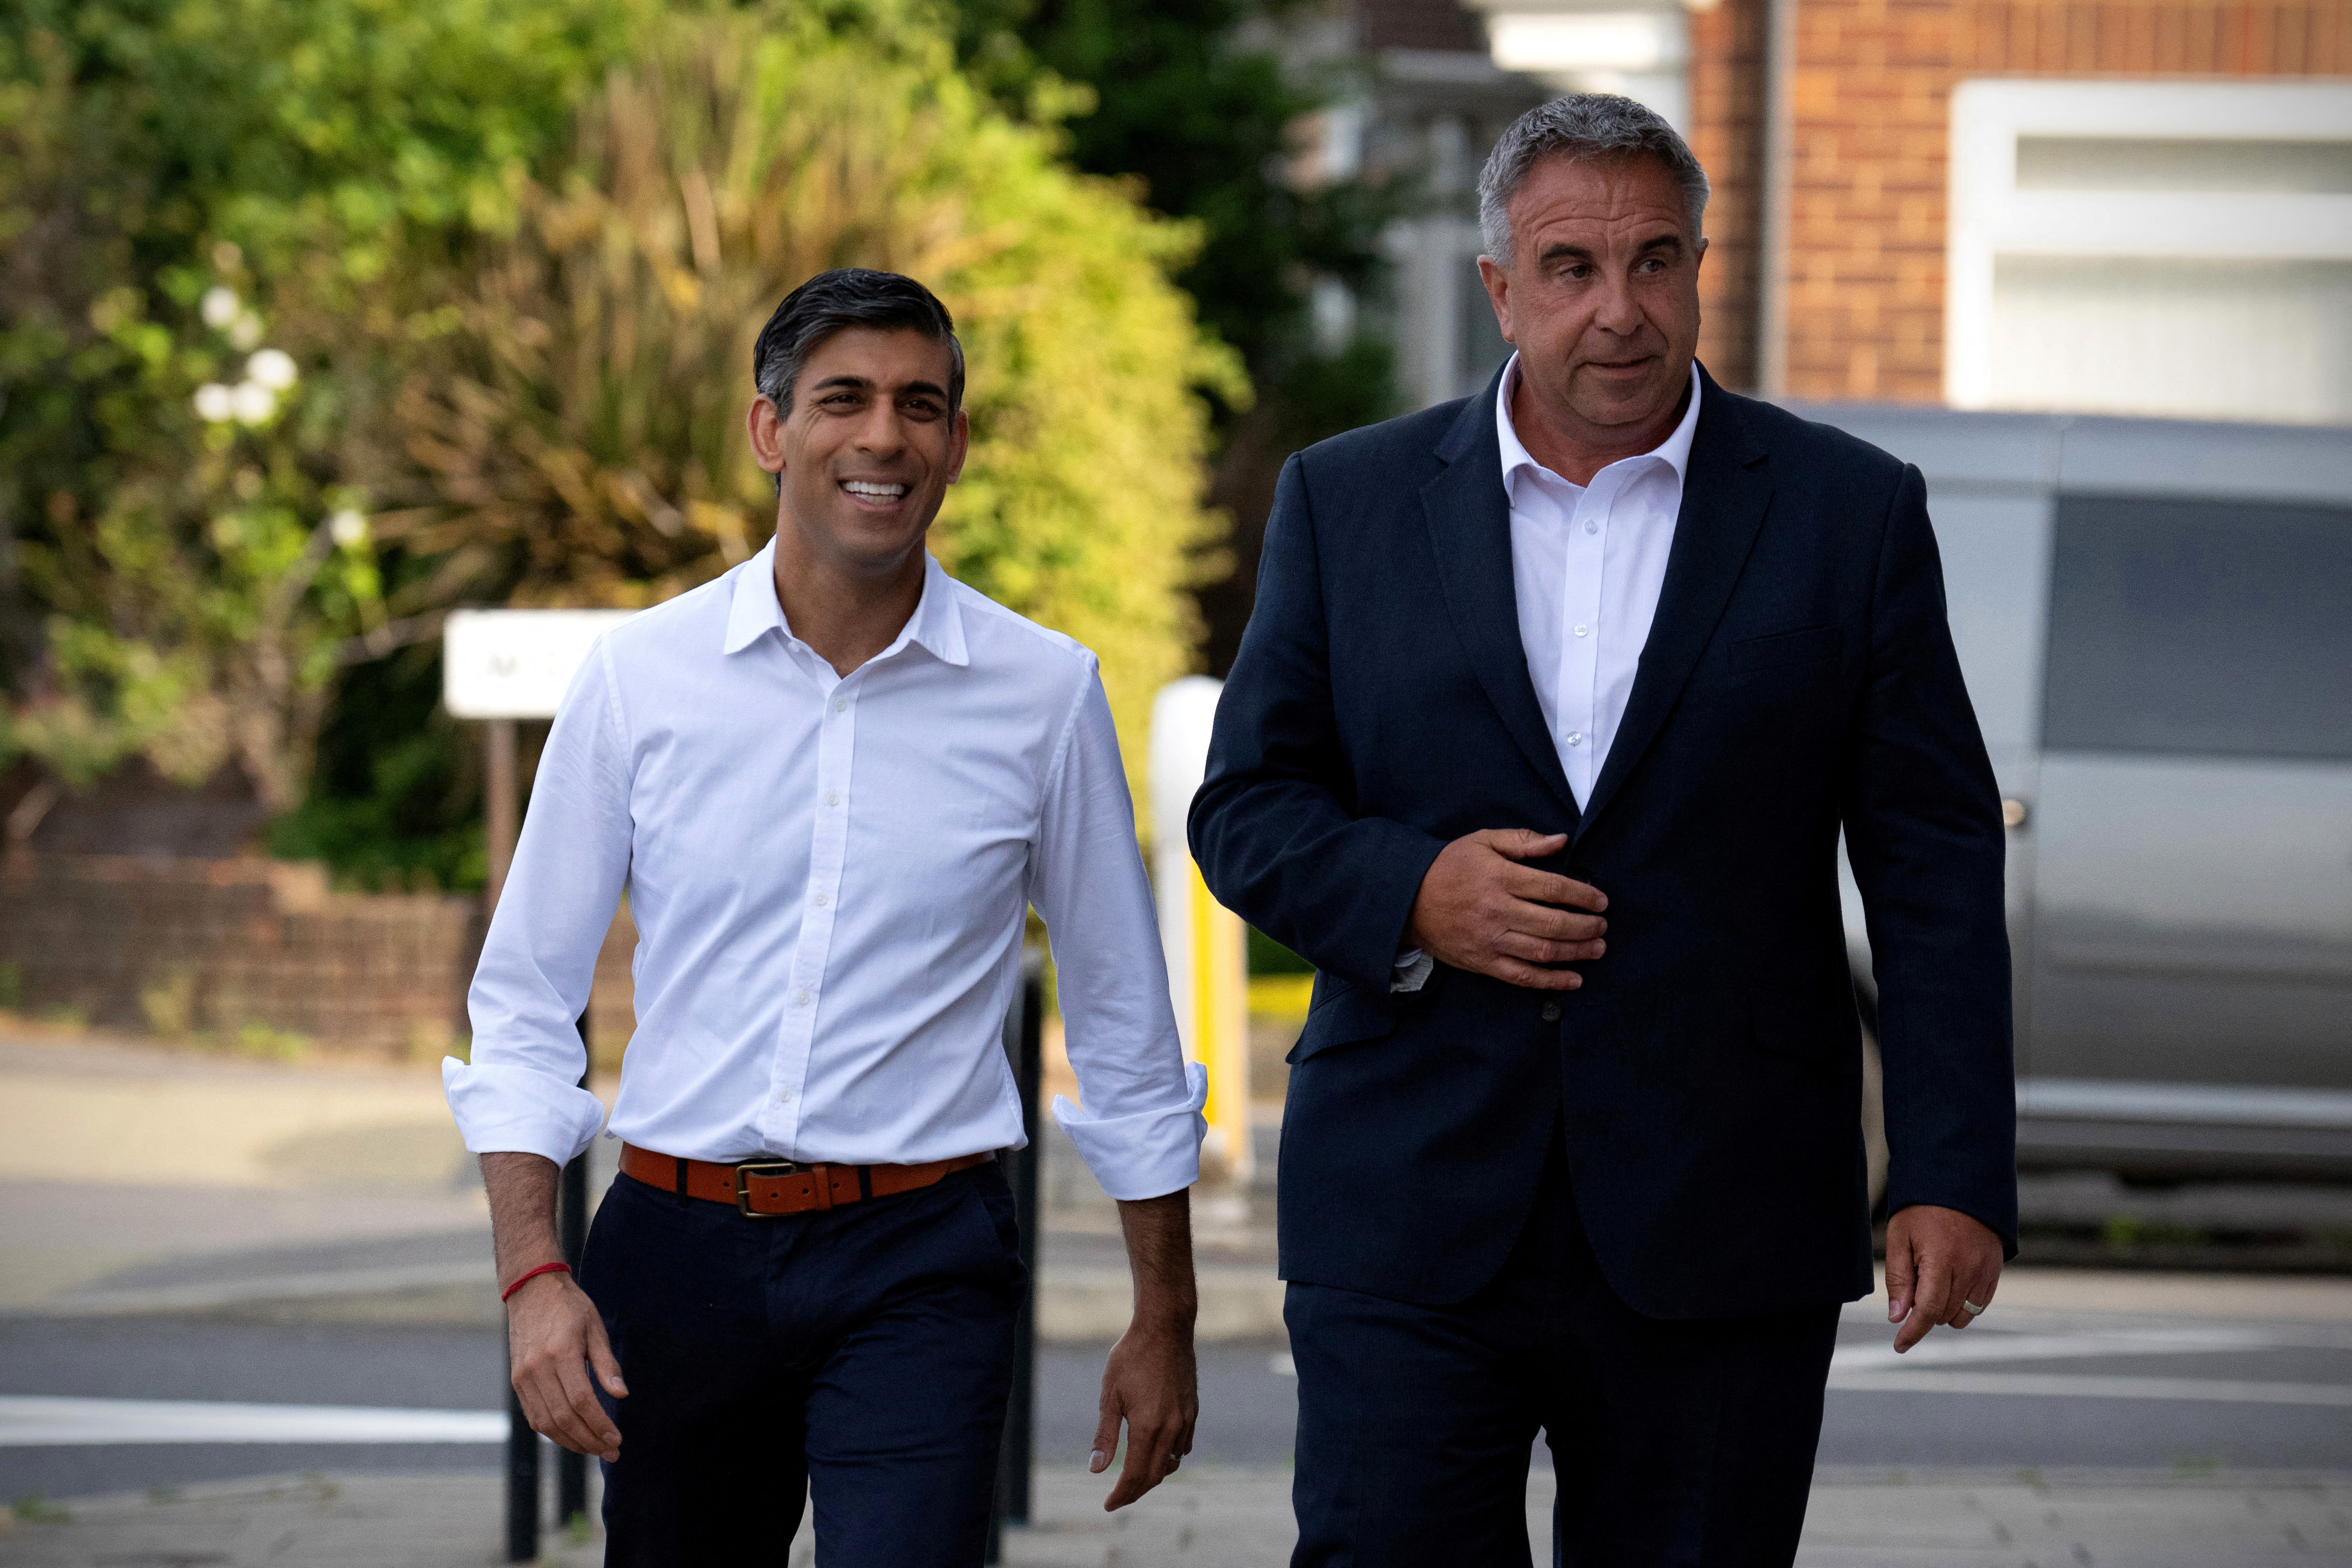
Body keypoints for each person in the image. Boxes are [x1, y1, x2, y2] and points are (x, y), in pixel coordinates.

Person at [1190, 96, 2016, 1566]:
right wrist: (1413, 892)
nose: (1619, 309)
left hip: (1726, 1210)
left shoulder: (1849, 513)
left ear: (1701, 269)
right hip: (1409, 1202)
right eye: (1571, 268)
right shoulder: (1347, 501)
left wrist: (1952, 1171)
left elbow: (1933, 858)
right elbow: (1246, 807)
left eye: (1655, 262)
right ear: (1501, 288)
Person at [445, 268, 1208, 1566]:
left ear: (955, 444)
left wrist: (1165, 1314)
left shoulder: (1043, 693)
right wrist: (533, 1276)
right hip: (676, 1250)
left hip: (923, 1257)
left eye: (921, 406)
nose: (884, 436)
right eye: (843, 399)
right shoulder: (640, 678)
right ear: (771, 430)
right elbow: (522, 1005)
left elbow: (1125, 1023)